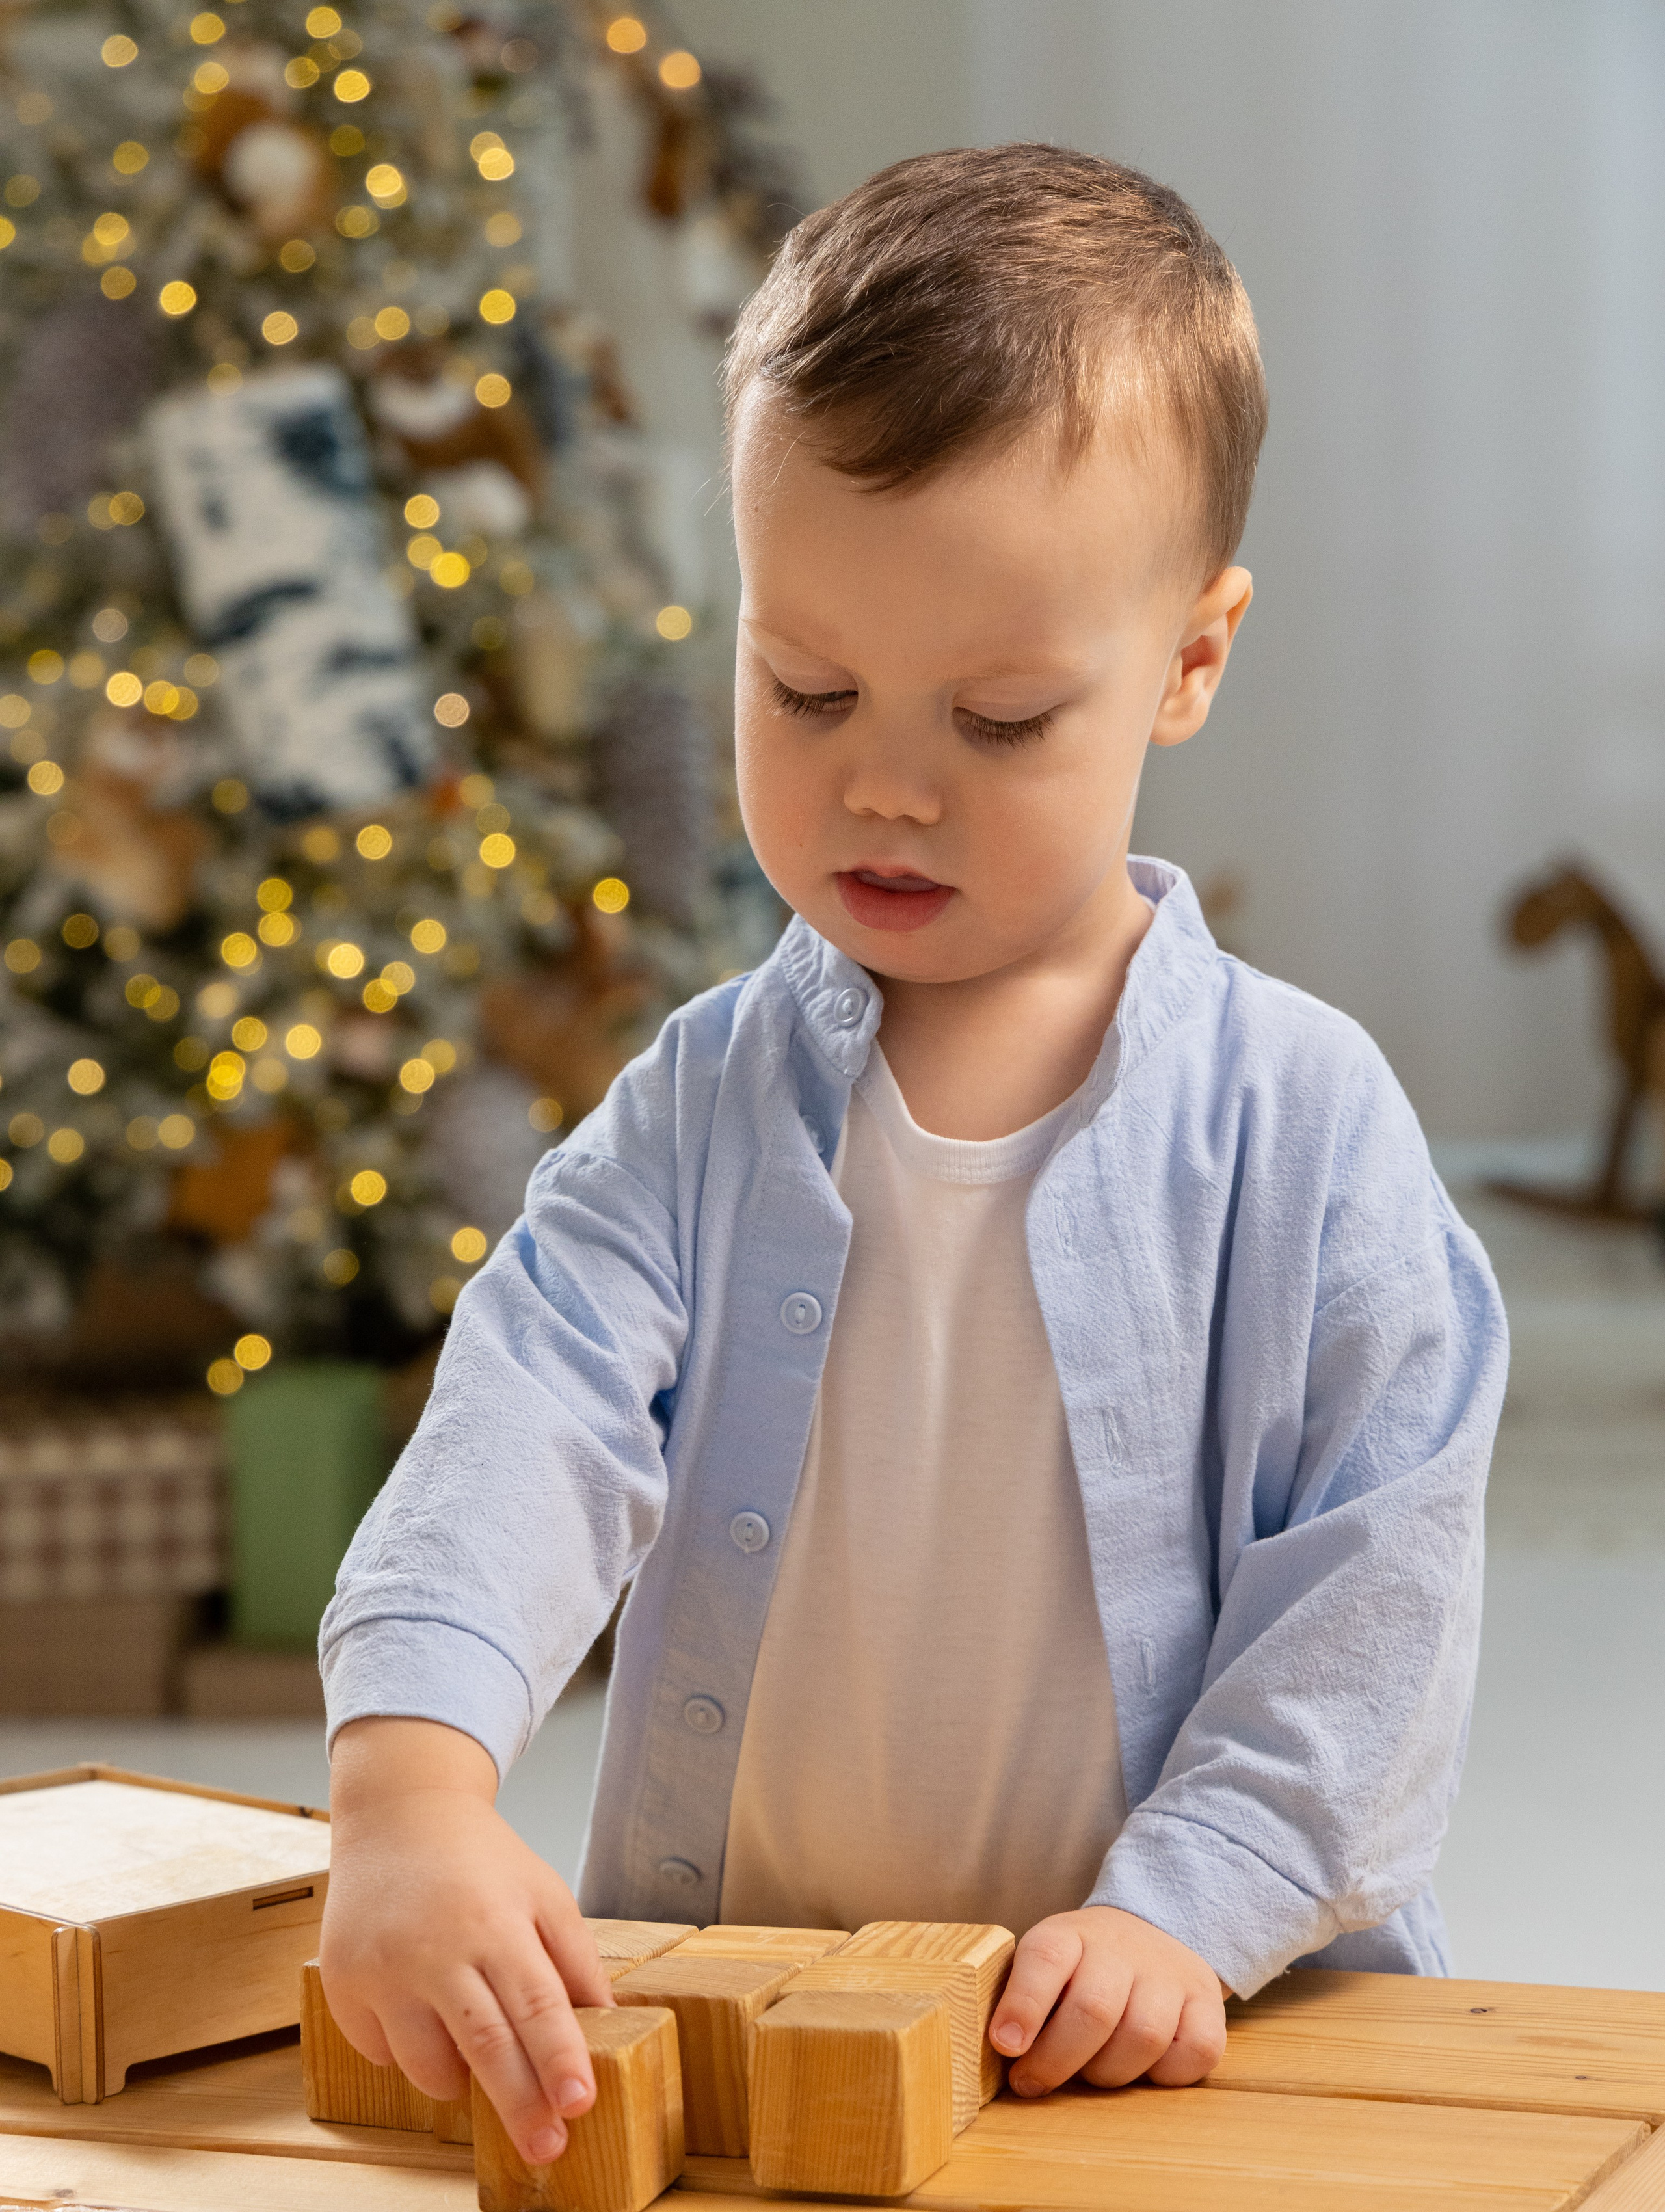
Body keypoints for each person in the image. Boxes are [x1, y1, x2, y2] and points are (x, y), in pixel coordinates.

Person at [317, 144, 1508, 2168]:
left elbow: (1379, 1585)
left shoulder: (1305, 1122)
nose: (883, 776)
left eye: (1003, 715)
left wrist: (1186, 1905)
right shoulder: (701, 1103)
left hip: (1157, 2033)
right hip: (755, 2004)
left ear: (1192, 659)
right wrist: (410, 1790)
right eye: (807, 685)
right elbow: (527, 1412)